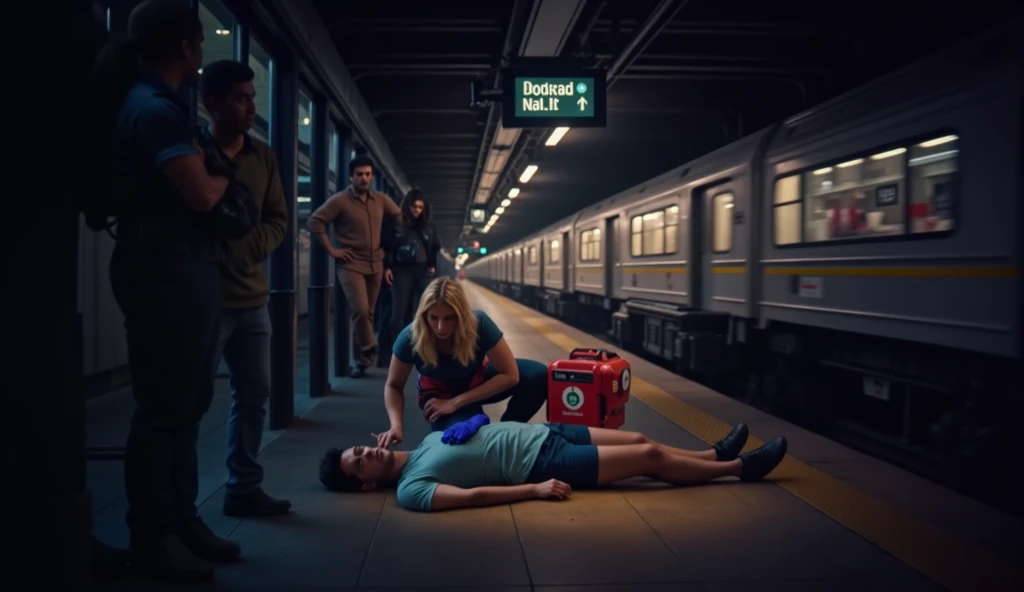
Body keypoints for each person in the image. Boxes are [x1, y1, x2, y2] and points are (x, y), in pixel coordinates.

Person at [95, 0, 246, 583]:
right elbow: (204, 196)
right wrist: (219, 168)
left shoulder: (161, 105)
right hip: (164, 270)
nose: (201, 51)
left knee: (187, 406)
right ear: (186, 46)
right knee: (164, 410)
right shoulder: (152, 109)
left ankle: (182, 519)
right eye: (198, 42)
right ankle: (152, 537)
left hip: (183, 268)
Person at [319, 419, 788, 512]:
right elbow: (472, 497)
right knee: (648, 459)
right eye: (359, 467)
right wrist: (534, 489)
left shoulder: (423, 443)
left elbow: (480, 430)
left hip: (547, 431)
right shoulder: (410, 489)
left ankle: (713, 456)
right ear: (365, 486)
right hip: (542, 460)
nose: (367, 456)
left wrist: (475, 420)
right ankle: (741, 468)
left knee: (640, 438)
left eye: (359, 451)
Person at [198, 60, 291, 517]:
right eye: (241, 98)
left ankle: (243, 487)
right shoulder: (192, 151)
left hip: (253, 298)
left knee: (254, 396)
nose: (252, 106)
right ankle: (180, 507)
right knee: (190, 402)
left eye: (253, 97)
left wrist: (251, 247)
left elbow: (279, 218)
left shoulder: (263, 156)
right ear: (211, 103)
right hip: (203, 299)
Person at [373, 277, 549, 449]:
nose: (441, 327)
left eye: (449, 318)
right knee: (466, 440)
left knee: (538, 375)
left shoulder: (478, 324)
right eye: (433, 318)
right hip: (439, 396)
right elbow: (394, 385)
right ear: (424, 315)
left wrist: (457, 402)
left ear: (462, 315)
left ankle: (506, 432)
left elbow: (511, 375)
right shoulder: (410, 337)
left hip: (476, 380)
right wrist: (396, 425)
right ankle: (469, 424)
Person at [308, 156, 402, 377]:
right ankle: (369, 348)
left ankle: (360, 363)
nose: (364, 178)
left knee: (367, 314)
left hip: (376, 263)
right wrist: (332, 250)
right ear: (351, 176)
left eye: (368, 174)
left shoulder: (380, 199)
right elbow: (315, 221)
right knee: (360, 310)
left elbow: (399, 216)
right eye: (359, 174)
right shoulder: (340, 201)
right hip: (350, 264)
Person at [382, 188, 442, 342]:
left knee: (425, 310)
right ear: (408, 206)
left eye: (420, 207)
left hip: (422, 271)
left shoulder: (428, 226)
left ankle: (422, 346)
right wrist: (387, 267)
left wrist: (432, 265)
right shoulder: (396, 223)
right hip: (401, 270)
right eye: (414, 207)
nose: (417, 211)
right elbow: (388, 246)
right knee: (398, 313)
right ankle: (395, 351)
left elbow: (434, 247)